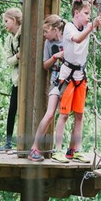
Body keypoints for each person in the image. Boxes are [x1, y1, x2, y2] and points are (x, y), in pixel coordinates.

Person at [53, 0, 101, 163]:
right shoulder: (69, 27)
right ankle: (58, 150)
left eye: (89, 15)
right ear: (76, 13)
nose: (88, 17)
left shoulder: (87, 26)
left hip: (80, 76)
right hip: (68, 75)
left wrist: (99, 8)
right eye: (85, 13)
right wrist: (90, 27)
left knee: (79, 115)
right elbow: (77, 39)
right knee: (64, 115)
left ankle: (74, 150)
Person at [28, 15, 65, 162]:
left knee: (65, 114)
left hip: (69, 79)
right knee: (50, 114)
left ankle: (62, 150)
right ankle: (34, 147)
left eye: (46, 31)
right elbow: (45, 65)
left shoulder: (68, 38)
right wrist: (55, 56)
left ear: (55, 30)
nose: (44, 35)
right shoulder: (48, 43)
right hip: (56, 80)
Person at [0, 7, 22, 151]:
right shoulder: (9, 39)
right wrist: (17, 57)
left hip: (27, 79)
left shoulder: (24, 33)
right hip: (17, 79)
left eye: (6, 21)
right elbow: (8, 60)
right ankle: (8, 142)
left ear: (13, 20)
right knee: (12, 109)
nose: (4, 24)